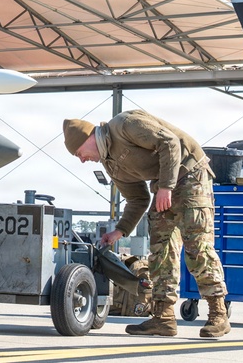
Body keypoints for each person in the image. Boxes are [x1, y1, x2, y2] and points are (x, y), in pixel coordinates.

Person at [63, 110, 229, 338]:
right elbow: (137, 199)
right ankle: (163, 318)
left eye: (79, 153)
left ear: (88, 139)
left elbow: (169, 143)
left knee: (196, 246)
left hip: (191, 174)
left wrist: (166, 187)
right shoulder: (111, 165)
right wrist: (120, 231)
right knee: (161, 249)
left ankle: (218, 314)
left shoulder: (125, 125)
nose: (82, 160)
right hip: (165, 185)